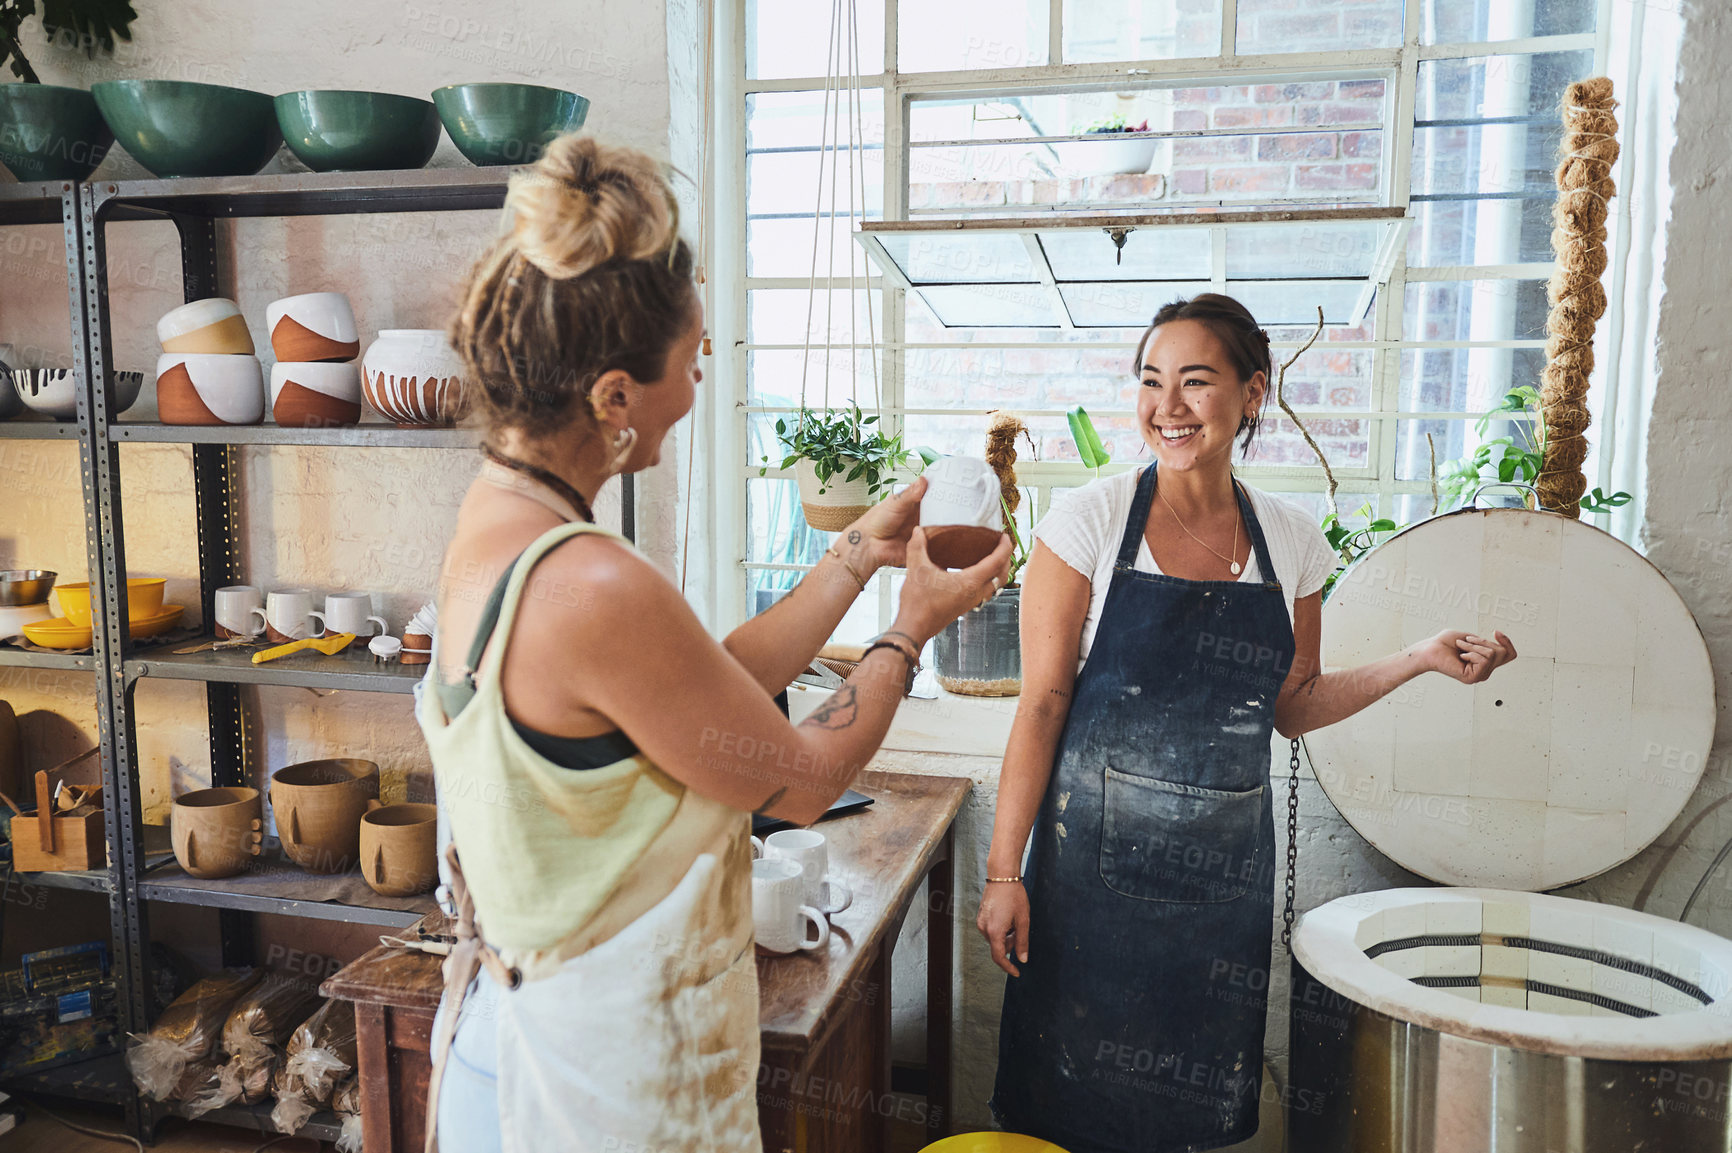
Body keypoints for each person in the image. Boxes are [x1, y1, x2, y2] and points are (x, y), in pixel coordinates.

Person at [417, 133, 1012, 1153]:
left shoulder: (499, 523)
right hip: (602, 1091)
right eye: (691, 355)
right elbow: (804, 779)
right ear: (612, 395)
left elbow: (704, 693)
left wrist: (858, 553)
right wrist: (911, 627)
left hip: (509, 1041)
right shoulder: (595, 582)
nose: (697, 380)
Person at [975, 294, 1518, 1153]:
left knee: (1185, 1121)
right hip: (1086, 887)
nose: (1169, 406)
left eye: (1197, 381)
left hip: (1217, 890)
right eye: (1152, 382)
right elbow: (1041, 704)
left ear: (1253, 391)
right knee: (1068, 1109)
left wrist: (1417, 657)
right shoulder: (1088, 524)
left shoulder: (1291, 543)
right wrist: (1006, 872)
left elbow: (1293, 705)